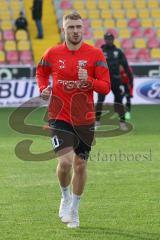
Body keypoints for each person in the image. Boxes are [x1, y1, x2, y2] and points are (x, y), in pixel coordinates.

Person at [36, 11, 110, 228]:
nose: (75, 31)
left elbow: (106, 86)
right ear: (64, 29)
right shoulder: (53, 53)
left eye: (79, 27)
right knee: (66, 162)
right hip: (59, 115)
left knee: (80, 165)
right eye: (71, 27)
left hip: (84, 119)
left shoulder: (95, 54)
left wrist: (90, 80)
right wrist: (43, 88)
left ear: (83, 29)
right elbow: (41, 72)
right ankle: (64, 195)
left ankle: (75, 210)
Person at [95, 32, 133, 131]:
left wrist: (130, 80)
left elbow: (126, 67)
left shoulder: (118, 52)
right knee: (100, 101)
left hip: (116, 80)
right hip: (103, 81)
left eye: (111, 39)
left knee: (119, 101)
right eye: (107, 39)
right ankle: (97, 121)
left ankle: (122, 122)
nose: (109, 40)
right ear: (104, 40)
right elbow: (94, 66)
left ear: (113, 39)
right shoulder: (100, 52)